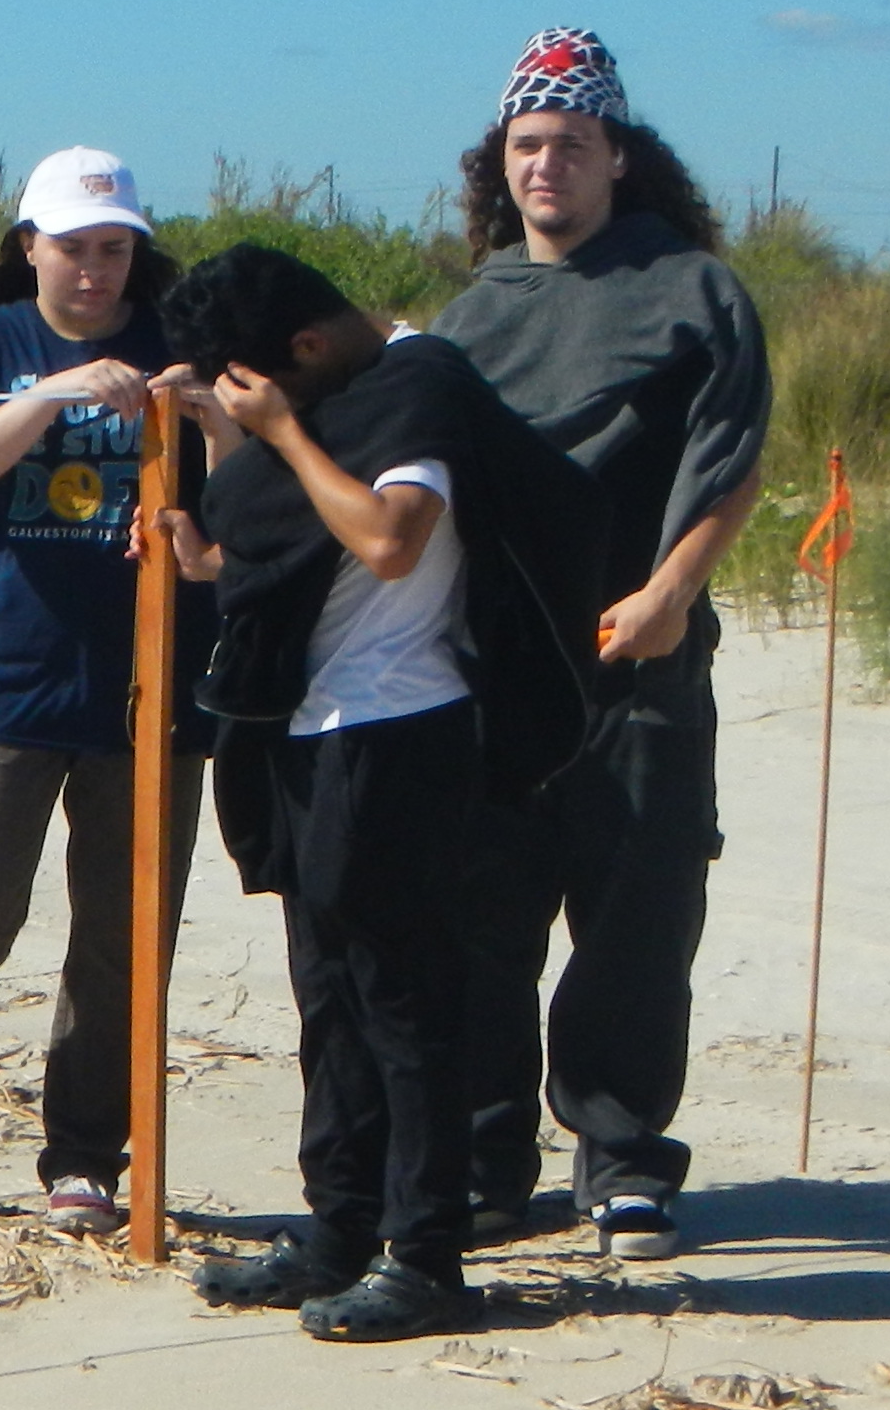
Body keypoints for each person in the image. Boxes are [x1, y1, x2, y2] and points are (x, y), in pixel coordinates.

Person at [160, 246, 602, 1339]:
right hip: (310, 728)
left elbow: (390, 541)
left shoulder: (419, 384)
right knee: (330, 994)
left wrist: (281, 434)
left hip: (405, 731)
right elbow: (305, 547)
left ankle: (429, 1257)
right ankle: (339, 1229)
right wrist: (208, 552)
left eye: (268, 382)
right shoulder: (342, 393)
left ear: (306, 348)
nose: (263, 404)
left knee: (404, 1000)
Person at [432, 31, 770, 1261]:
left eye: (572, 144)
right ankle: (481, 1168)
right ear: (500, 162)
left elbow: (728, 461)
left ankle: (623, 1159)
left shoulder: (692, 289)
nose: (547, 165)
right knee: (484, 921)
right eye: (527, 145)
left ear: (619, 157)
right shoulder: (472, 313)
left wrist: (675, 588)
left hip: (643, 658)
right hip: (495, 670)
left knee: (638, 914)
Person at [0, 149, 206, 1241]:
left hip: (148, 679)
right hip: (2, 672)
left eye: (115, 249)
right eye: (73, 248)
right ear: (30, 249)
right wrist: (53, 394)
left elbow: (249, 471)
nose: (96, 271)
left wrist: (202, 413)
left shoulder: (175, 340)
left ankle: (86, 1158)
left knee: (123, 932)